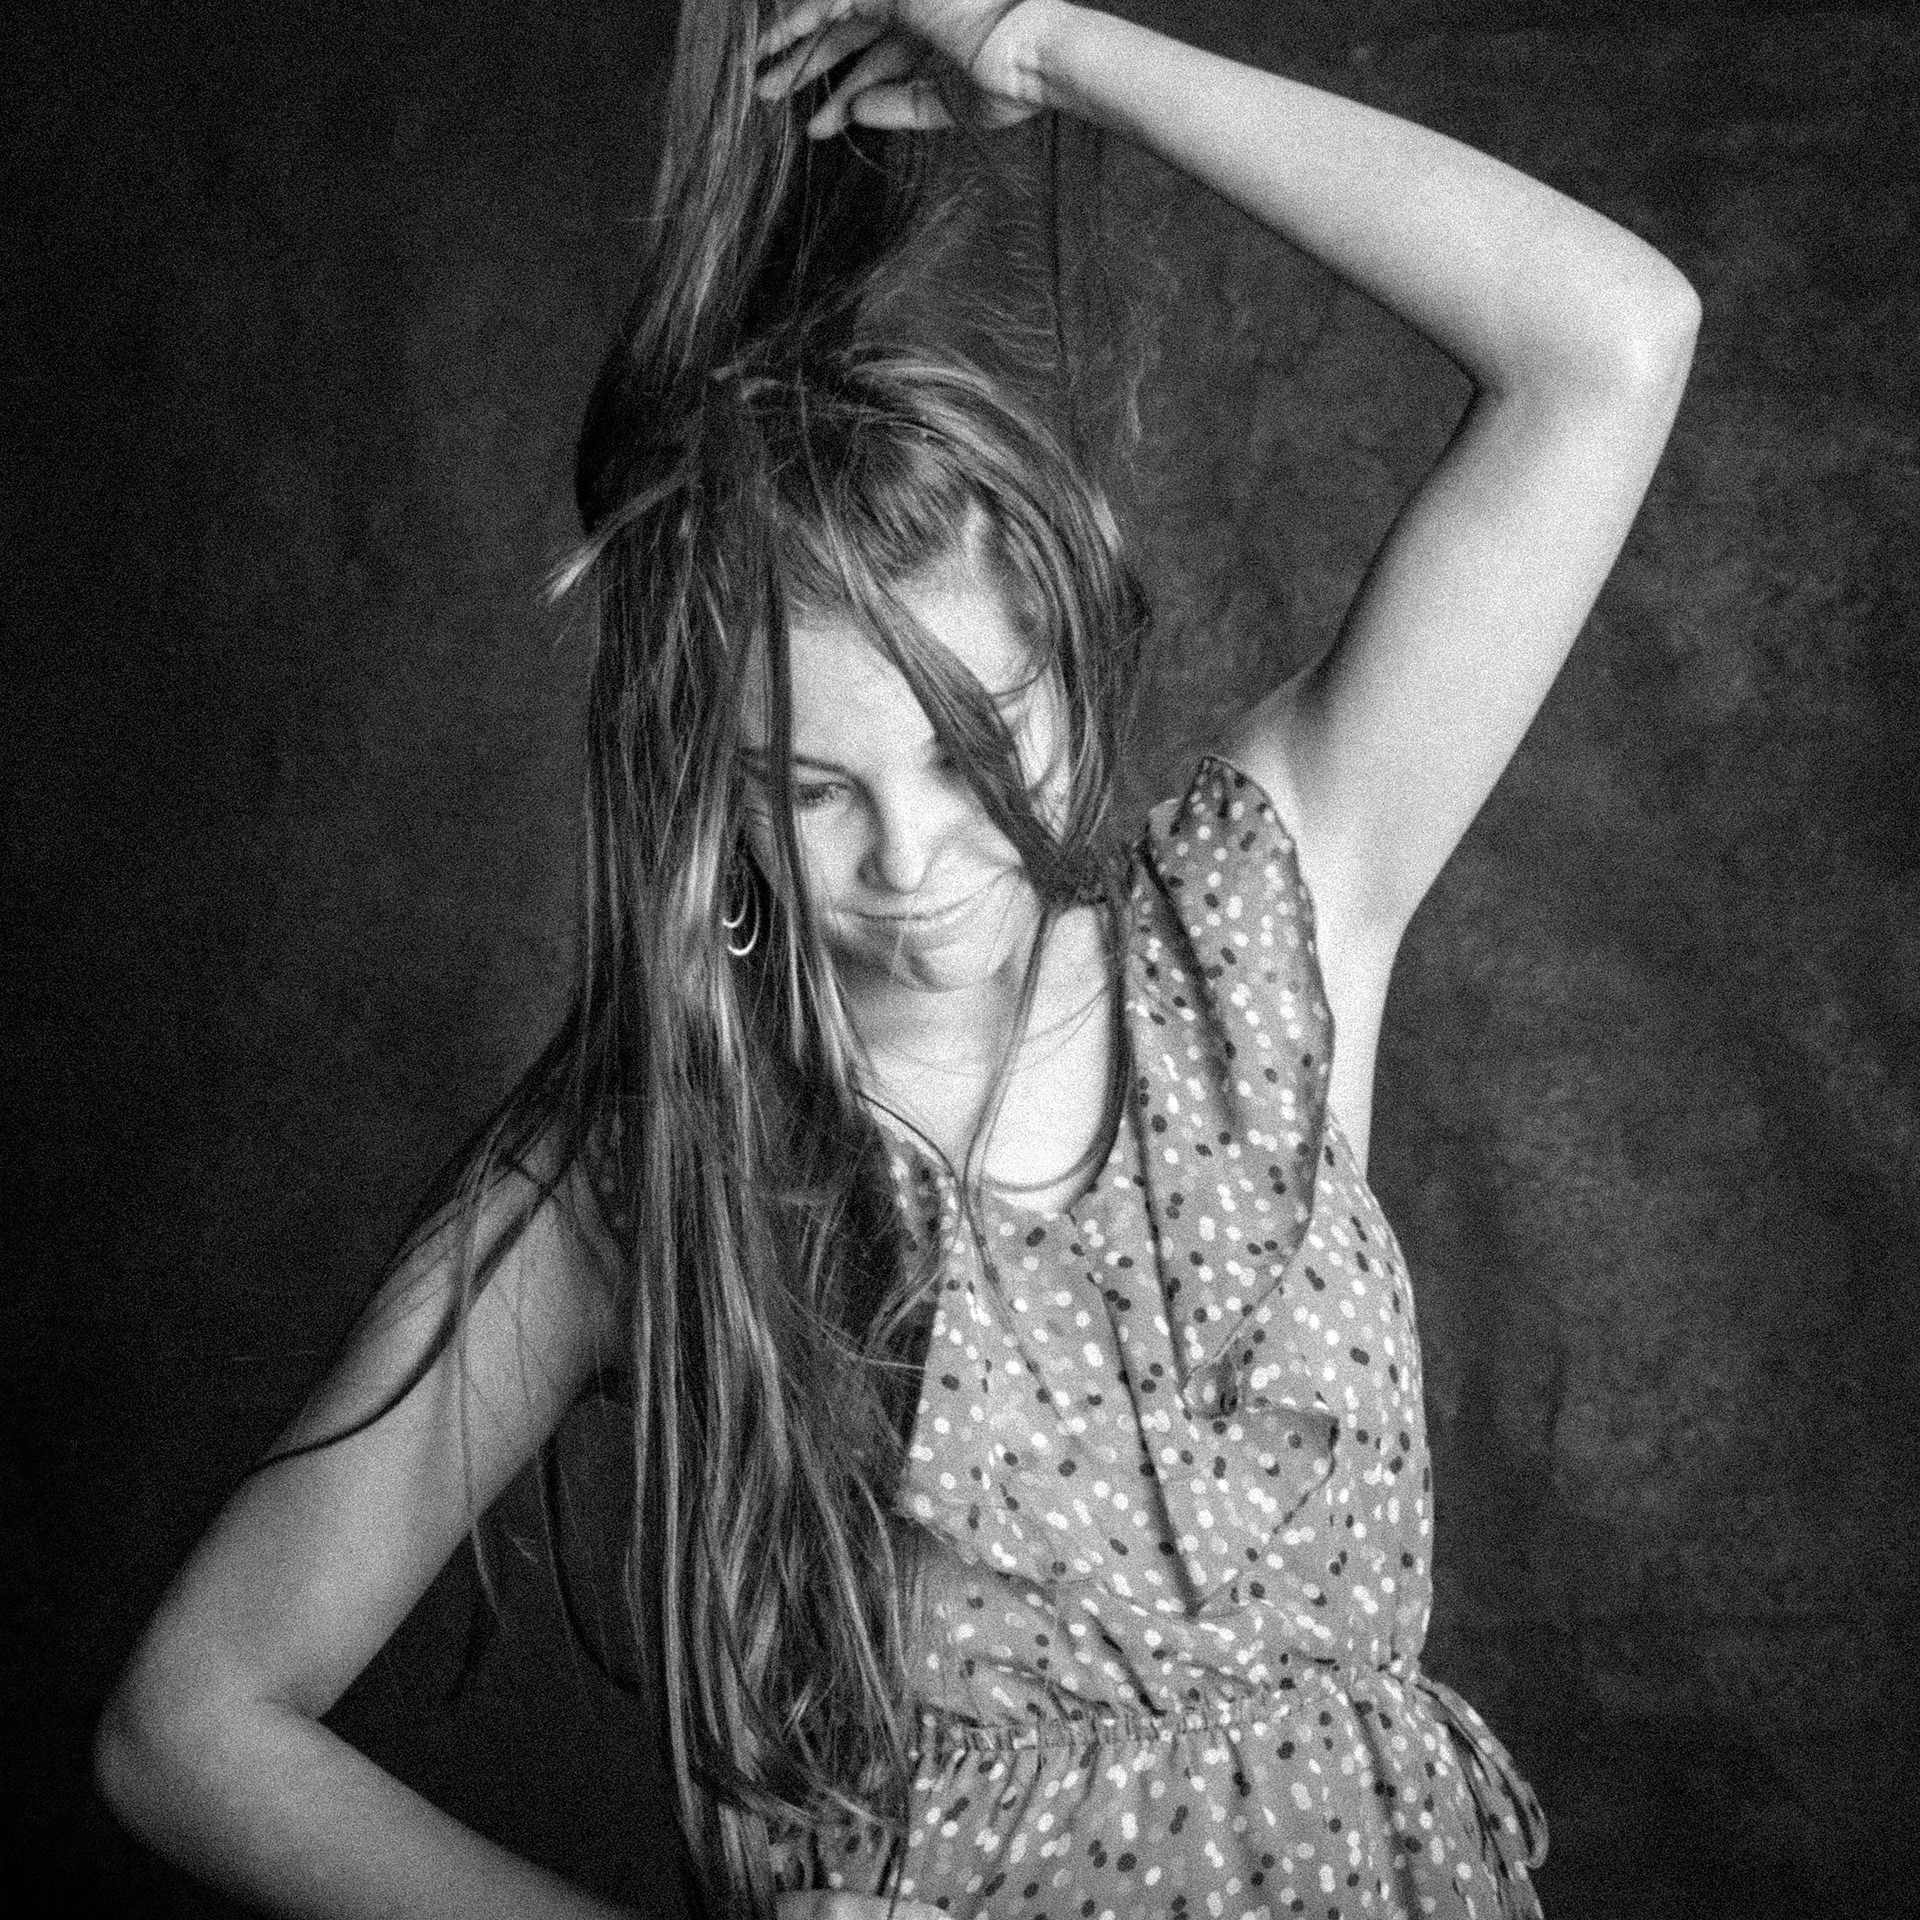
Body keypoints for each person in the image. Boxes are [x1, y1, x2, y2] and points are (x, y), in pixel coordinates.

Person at [94, 2, 1700, 1916]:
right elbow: (191, 1724)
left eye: (969, 747)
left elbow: (1609, 342)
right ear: (714, 787)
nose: (912, 863)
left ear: (1075, 672)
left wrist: (1051, 47)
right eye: (809, 787)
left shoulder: (1265, 927)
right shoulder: (656, 1156)